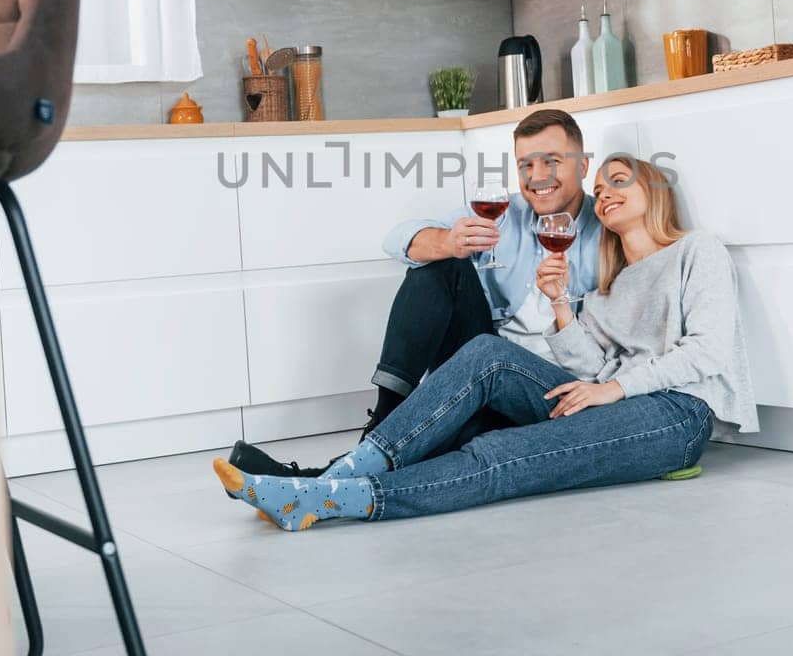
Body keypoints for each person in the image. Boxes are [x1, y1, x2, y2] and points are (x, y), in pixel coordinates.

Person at [212, 153, 758, 529]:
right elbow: (591, 366)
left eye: (619, 181)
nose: (604, 194)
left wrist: (615, 389)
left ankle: (327, 499)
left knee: (502, 453)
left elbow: (707, 351)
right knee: (485, 354)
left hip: (677, 415)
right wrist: (564, 309)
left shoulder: (696, 250)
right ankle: (338, 475)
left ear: (654, 189)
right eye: (600, 189)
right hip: (612, 399)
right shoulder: (609, 280)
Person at [230, 108, 604, 478]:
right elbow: (397, 239)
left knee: (445, 438)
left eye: (552, 162)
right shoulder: (506, 212)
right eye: (526, 165)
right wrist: (448, 241)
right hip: (482, 364)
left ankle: (324, 475)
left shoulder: (608, 232)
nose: (537, 177)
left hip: (549, 385)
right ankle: (383, 421)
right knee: (440, 266)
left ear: (583, 166)